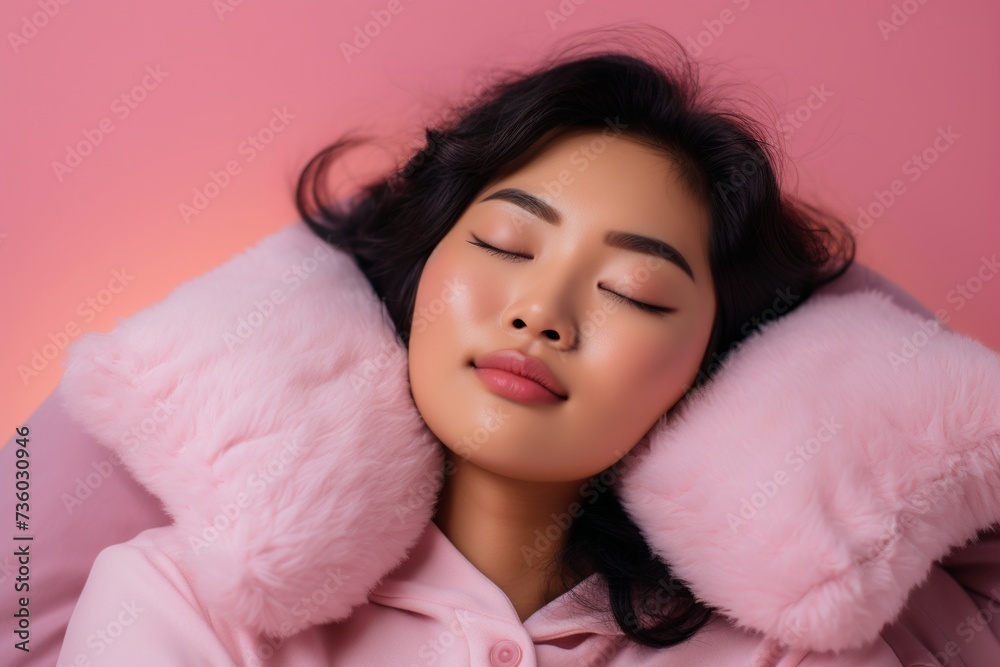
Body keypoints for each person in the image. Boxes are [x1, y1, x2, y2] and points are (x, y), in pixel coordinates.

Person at [49, 27, 1000, 666]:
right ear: (419, 277)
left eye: (634, 290)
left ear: (714, 365)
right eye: (506, 244)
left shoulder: (787, 653)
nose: (543, 312)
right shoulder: (185, 603)